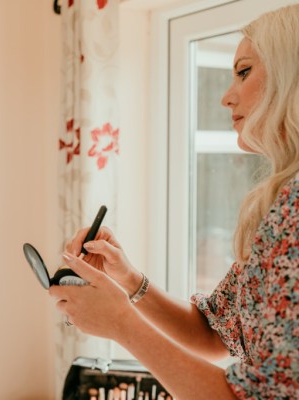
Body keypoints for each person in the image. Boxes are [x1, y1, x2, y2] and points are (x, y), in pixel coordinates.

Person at [50, 5, 298, 399]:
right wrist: (128, 279)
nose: (226, 97)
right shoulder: (280, 201)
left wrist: (121, 323)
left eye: (244, 72)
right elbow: (214, 331)